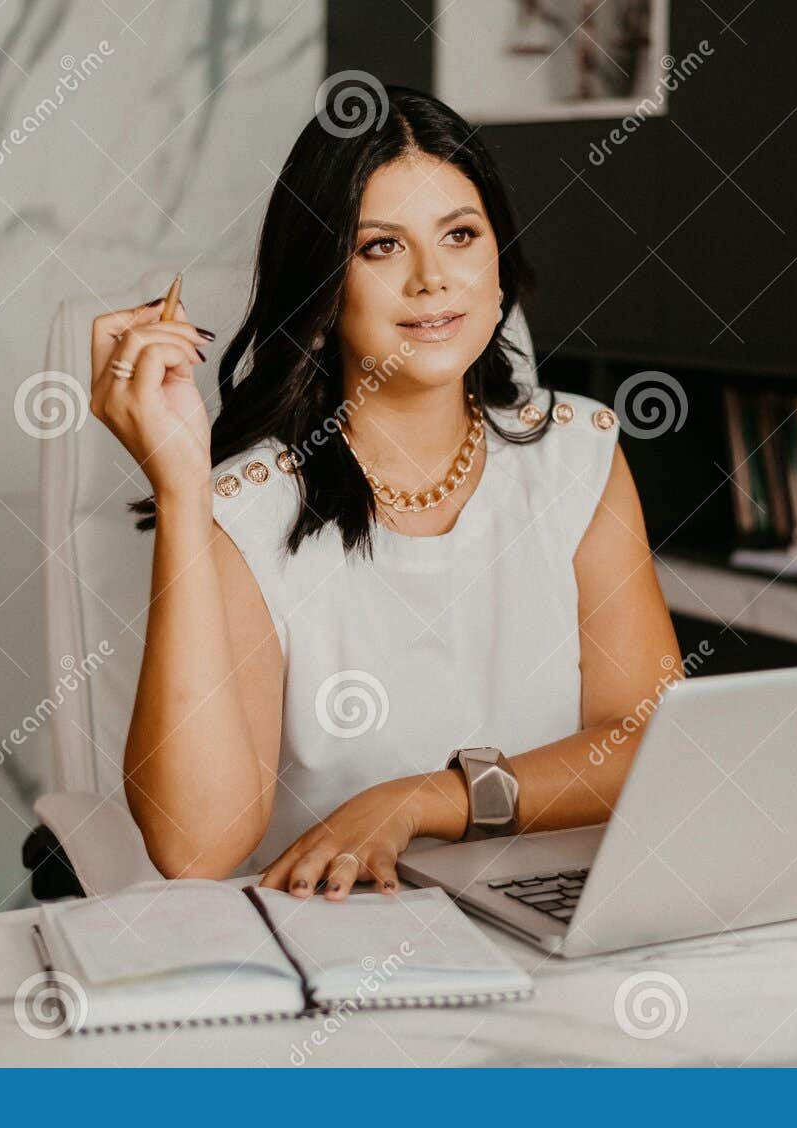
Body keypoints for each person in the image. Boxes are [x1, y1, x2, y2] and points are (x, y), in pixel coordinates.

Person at [86, 84, 682, 899]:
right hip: (338, 933)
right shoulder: (248, 506)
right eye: (380, 248)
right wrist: (186, 491)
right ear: (324, 284)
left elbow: (651, 742)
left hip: (554, 909)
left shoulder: (576, 453)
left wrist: (426, 799)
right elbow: (196, 847)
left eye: (461, 235)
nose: (433, 280)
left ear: (499, 258)